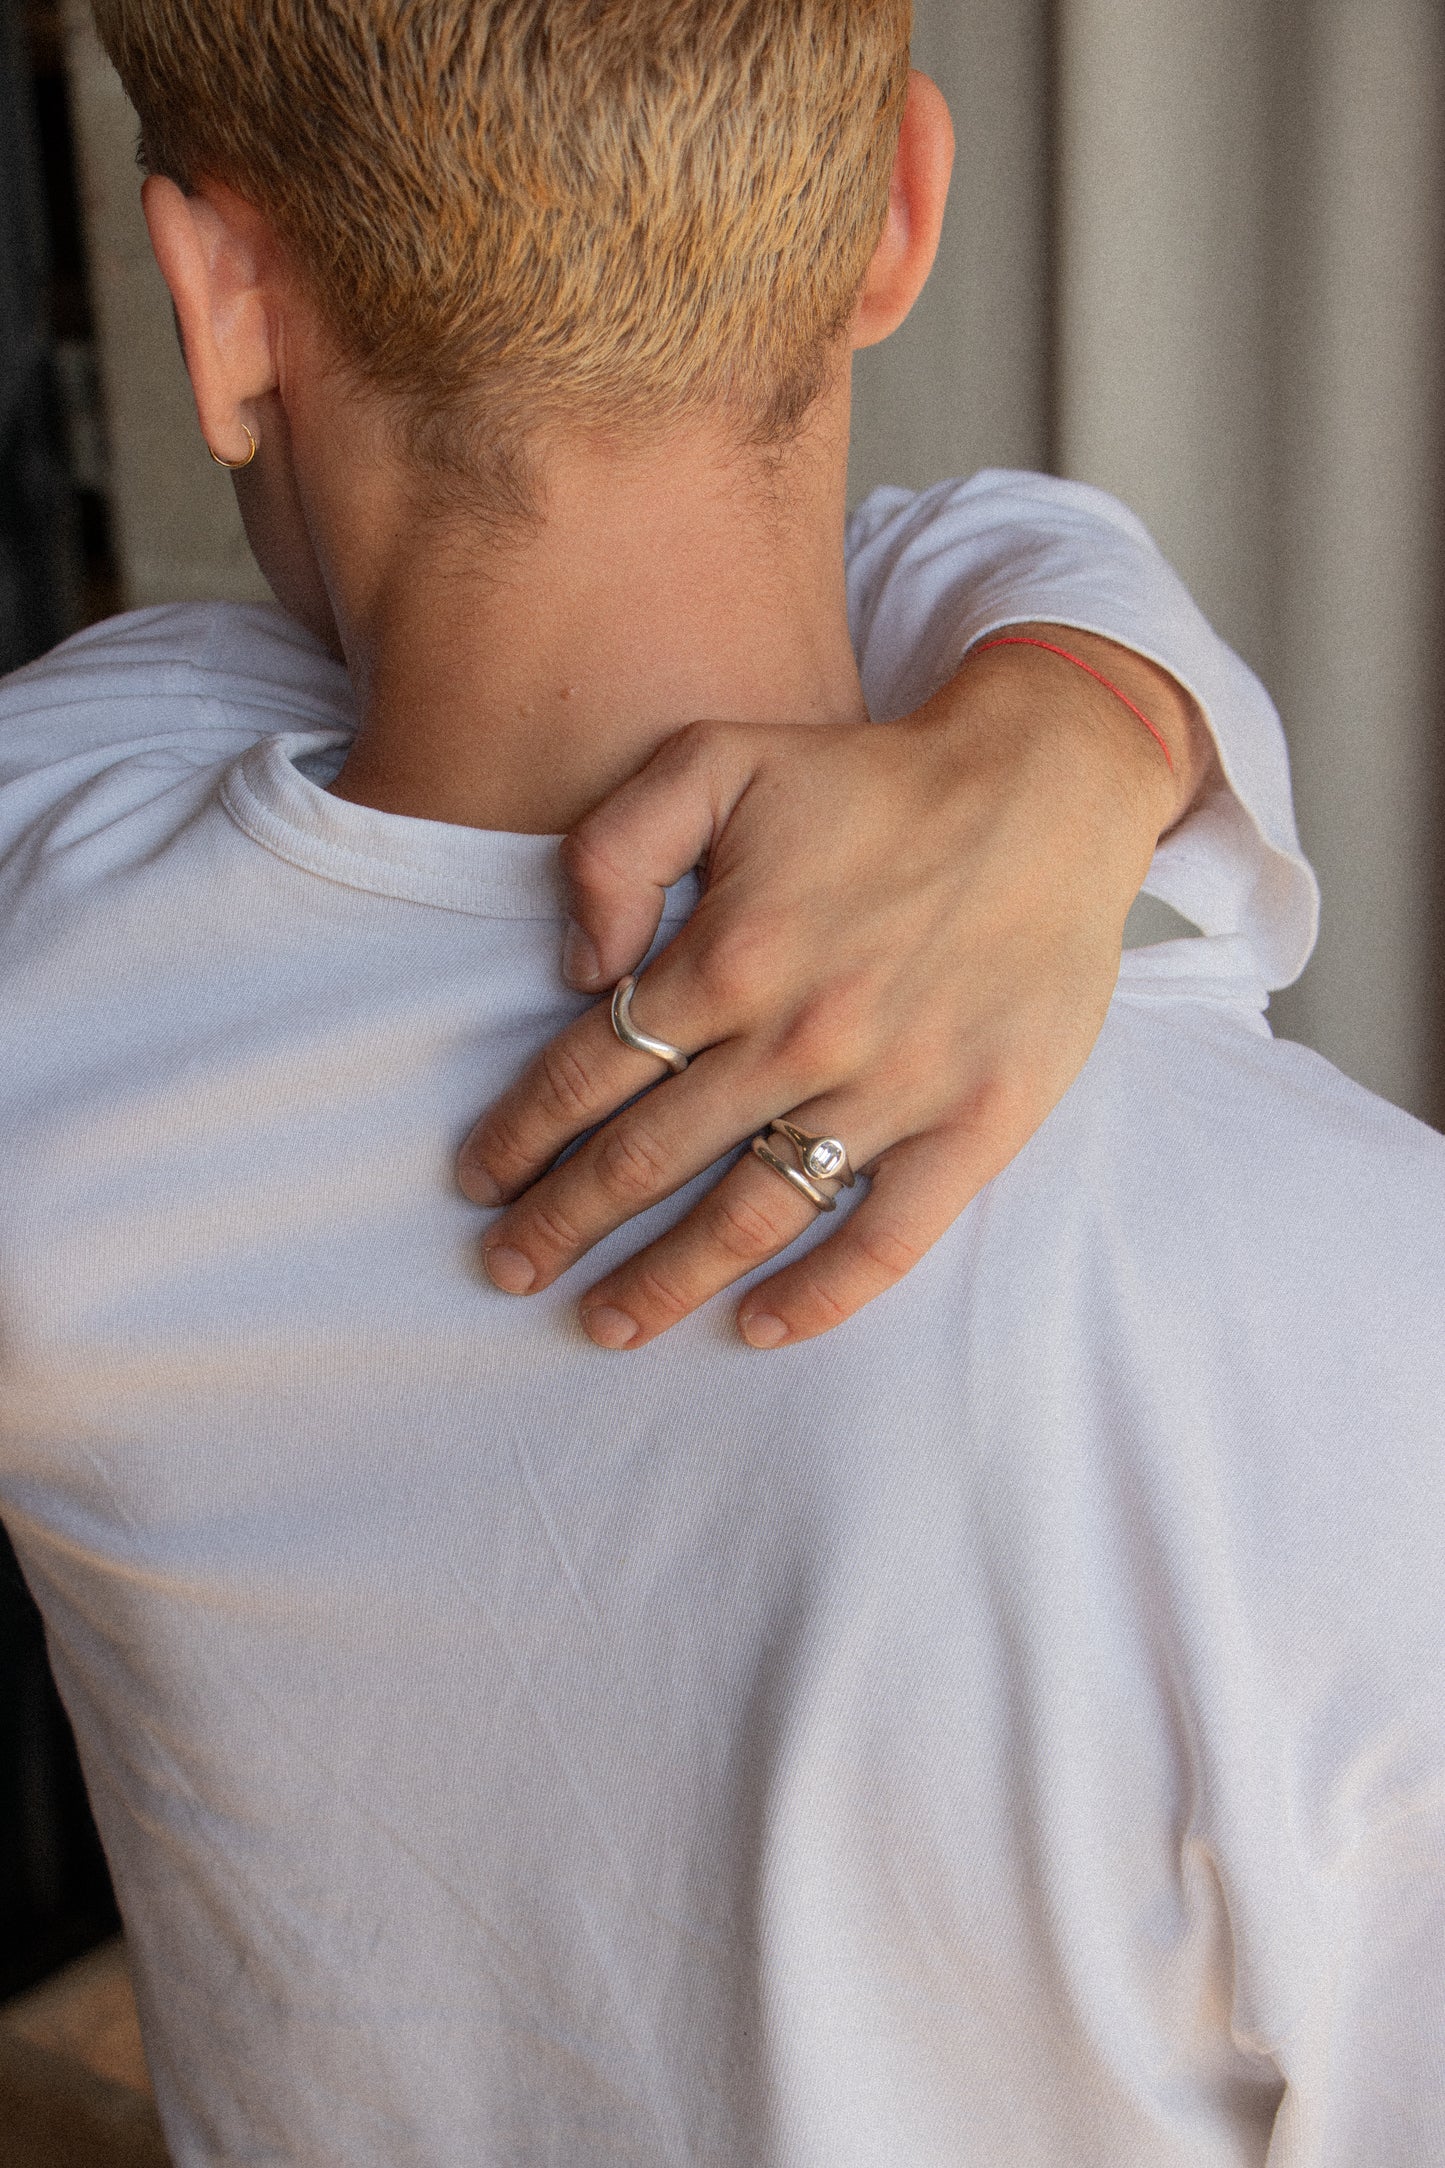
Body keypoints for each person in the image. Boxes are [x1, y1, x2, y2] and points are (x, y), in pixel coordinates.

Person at [1, 3, 1439, 2164]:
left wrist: (1081, 707)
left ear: (213, 303)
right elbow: (974, 538)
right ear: (901, 211)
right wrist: (1095, 717)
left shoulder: (56, 921)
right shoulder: (1365, 1333)